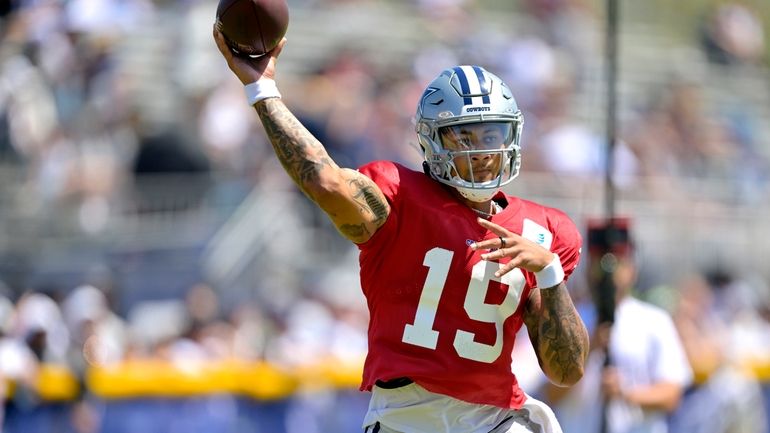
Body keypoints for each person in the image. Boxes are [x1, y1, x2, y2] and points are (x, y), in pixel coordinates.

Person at [212, 27, 589, 433]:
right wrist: (263, 90)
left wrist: (550, 275)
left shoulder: (543, 231)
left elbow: (566, 372)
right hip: (404, 419)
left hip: (493, 419)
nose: (481, 151)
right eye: (464, 136)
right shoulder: (398, 197)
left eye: (491, 134)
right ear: (431, 141)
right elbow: (324, 180)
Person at [543, 220, 693, 433]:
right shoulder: (568, 318)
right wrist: (587, 348)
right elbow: (551, 393)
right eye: (599, 262)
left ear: (632, 268)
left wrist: (626, 393)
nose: (608, 274)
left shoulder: (654, 321)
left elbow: (672, 394)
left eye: (617, 263)